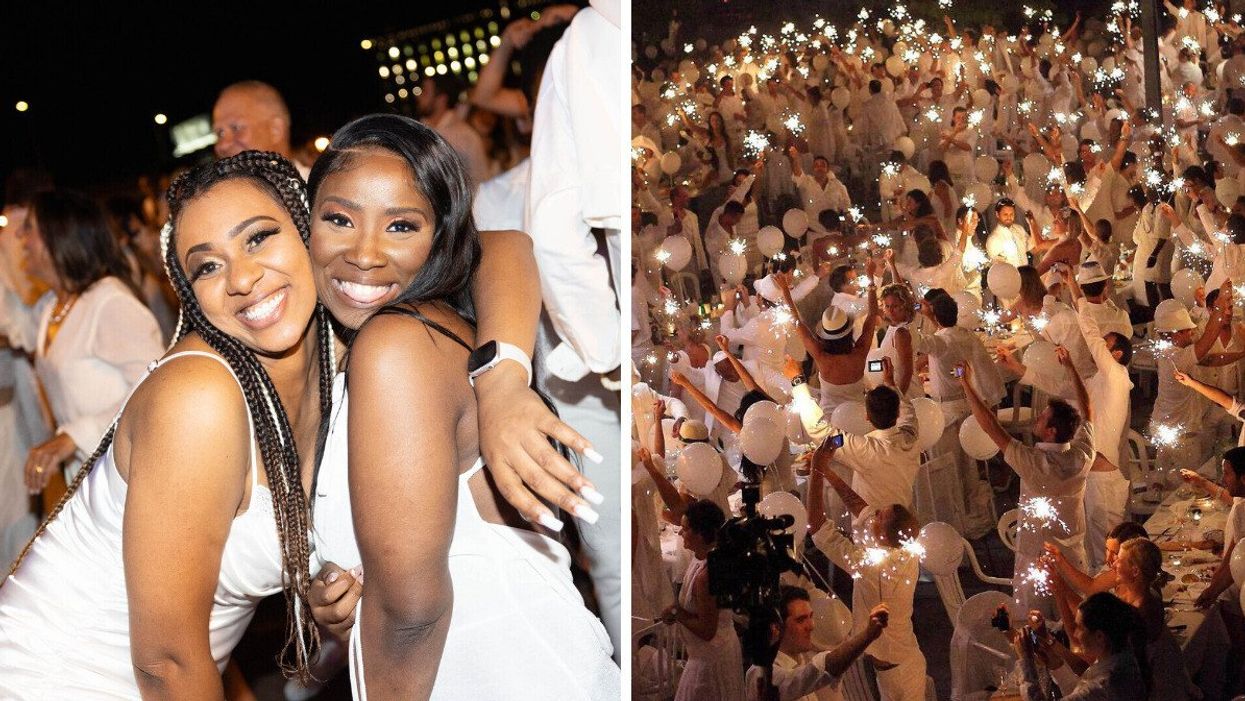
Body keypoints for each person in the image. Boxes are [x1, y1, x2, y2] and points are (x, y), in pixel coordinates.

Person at [301, 114, 618, 698]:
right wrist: (338, 592)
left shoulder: (396, 346)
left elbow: (412, 613)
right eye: (339, 218)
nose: (364, 253)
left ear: (441, 237)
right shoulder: (388, 344)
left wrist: (504, 379)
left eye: (401, 226)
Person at [0, 153, 333, 697]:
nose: (242, 279)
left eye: (258, 238)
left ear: (309, 231)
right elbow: (166, 662)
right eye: (207, 266)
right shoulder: (198, 399)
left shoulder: (338, 376)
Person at [15, 191, 164, 493]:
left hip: (132, 478)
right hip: (92, 479)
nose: (19, 235)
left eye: (29, 227)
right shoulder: (50, 307)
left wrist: (73, 437)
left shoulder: (109, 302)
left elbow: (158, 390)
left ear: (58, 234)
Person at [959, 348, 1095, 614]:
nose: (1038, 417)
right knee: (1076, 620)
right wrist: (1070, 367)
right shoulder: (1082, 455)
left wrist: (966, 384)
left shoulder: (1034, 464)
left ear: (1051, 431)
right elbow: (1088, 410)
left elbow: (989, 425)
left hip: (1037, 560)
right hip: (1073, 557)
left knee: (1036, 624)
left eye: (1043, 417)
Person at [806, 442, 926, 701]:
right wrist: (828, 471)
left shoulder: (872, 566)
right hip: (899, 664)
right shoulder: (905, 548)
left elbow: (817, 528)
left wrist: (816, 469)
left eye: (879, 516)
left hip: (900, 677)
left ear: (883, 534)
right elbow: (859, 505)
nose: (874, 514)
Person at [662, 498, 745, 701]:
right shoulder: (702, 559)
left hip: (711, 659)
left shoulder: (707, 575)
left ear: (700, 534)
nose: (680, 533)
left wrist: (677, 612)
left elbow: (708, 631)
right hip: (709, 653)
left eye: (685, 528)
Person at [744, 587, 890, 701]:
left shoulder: (801, 660)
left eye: (811, 617)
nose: (811, 626)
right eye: (801, 620)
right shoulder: (760, 673)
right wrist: (867, 635)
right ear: (776, 628)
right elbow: (816, 672)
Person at [1015, 594, 1147, 701]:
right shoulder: (1120, 657)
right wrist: (1054, 661)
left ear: (1100, 636)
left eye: (1080, 627)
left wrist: (1026, 661)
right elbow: (1079, 691)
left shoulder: (1105, 684)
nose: (1075, 634)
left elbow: (1088, 692)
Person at [212, 80, 307, 176]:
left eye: (236, 128)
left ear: (276, 130)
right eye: (220, 133)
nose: (223, 145)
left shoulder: (314, 190)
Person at [417, 74, 491, 187]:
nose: (419, 97)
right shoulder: (417, 131)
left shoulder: (465, 136)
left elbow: (481, 182)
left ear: (441, 99)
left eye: (425, 92)